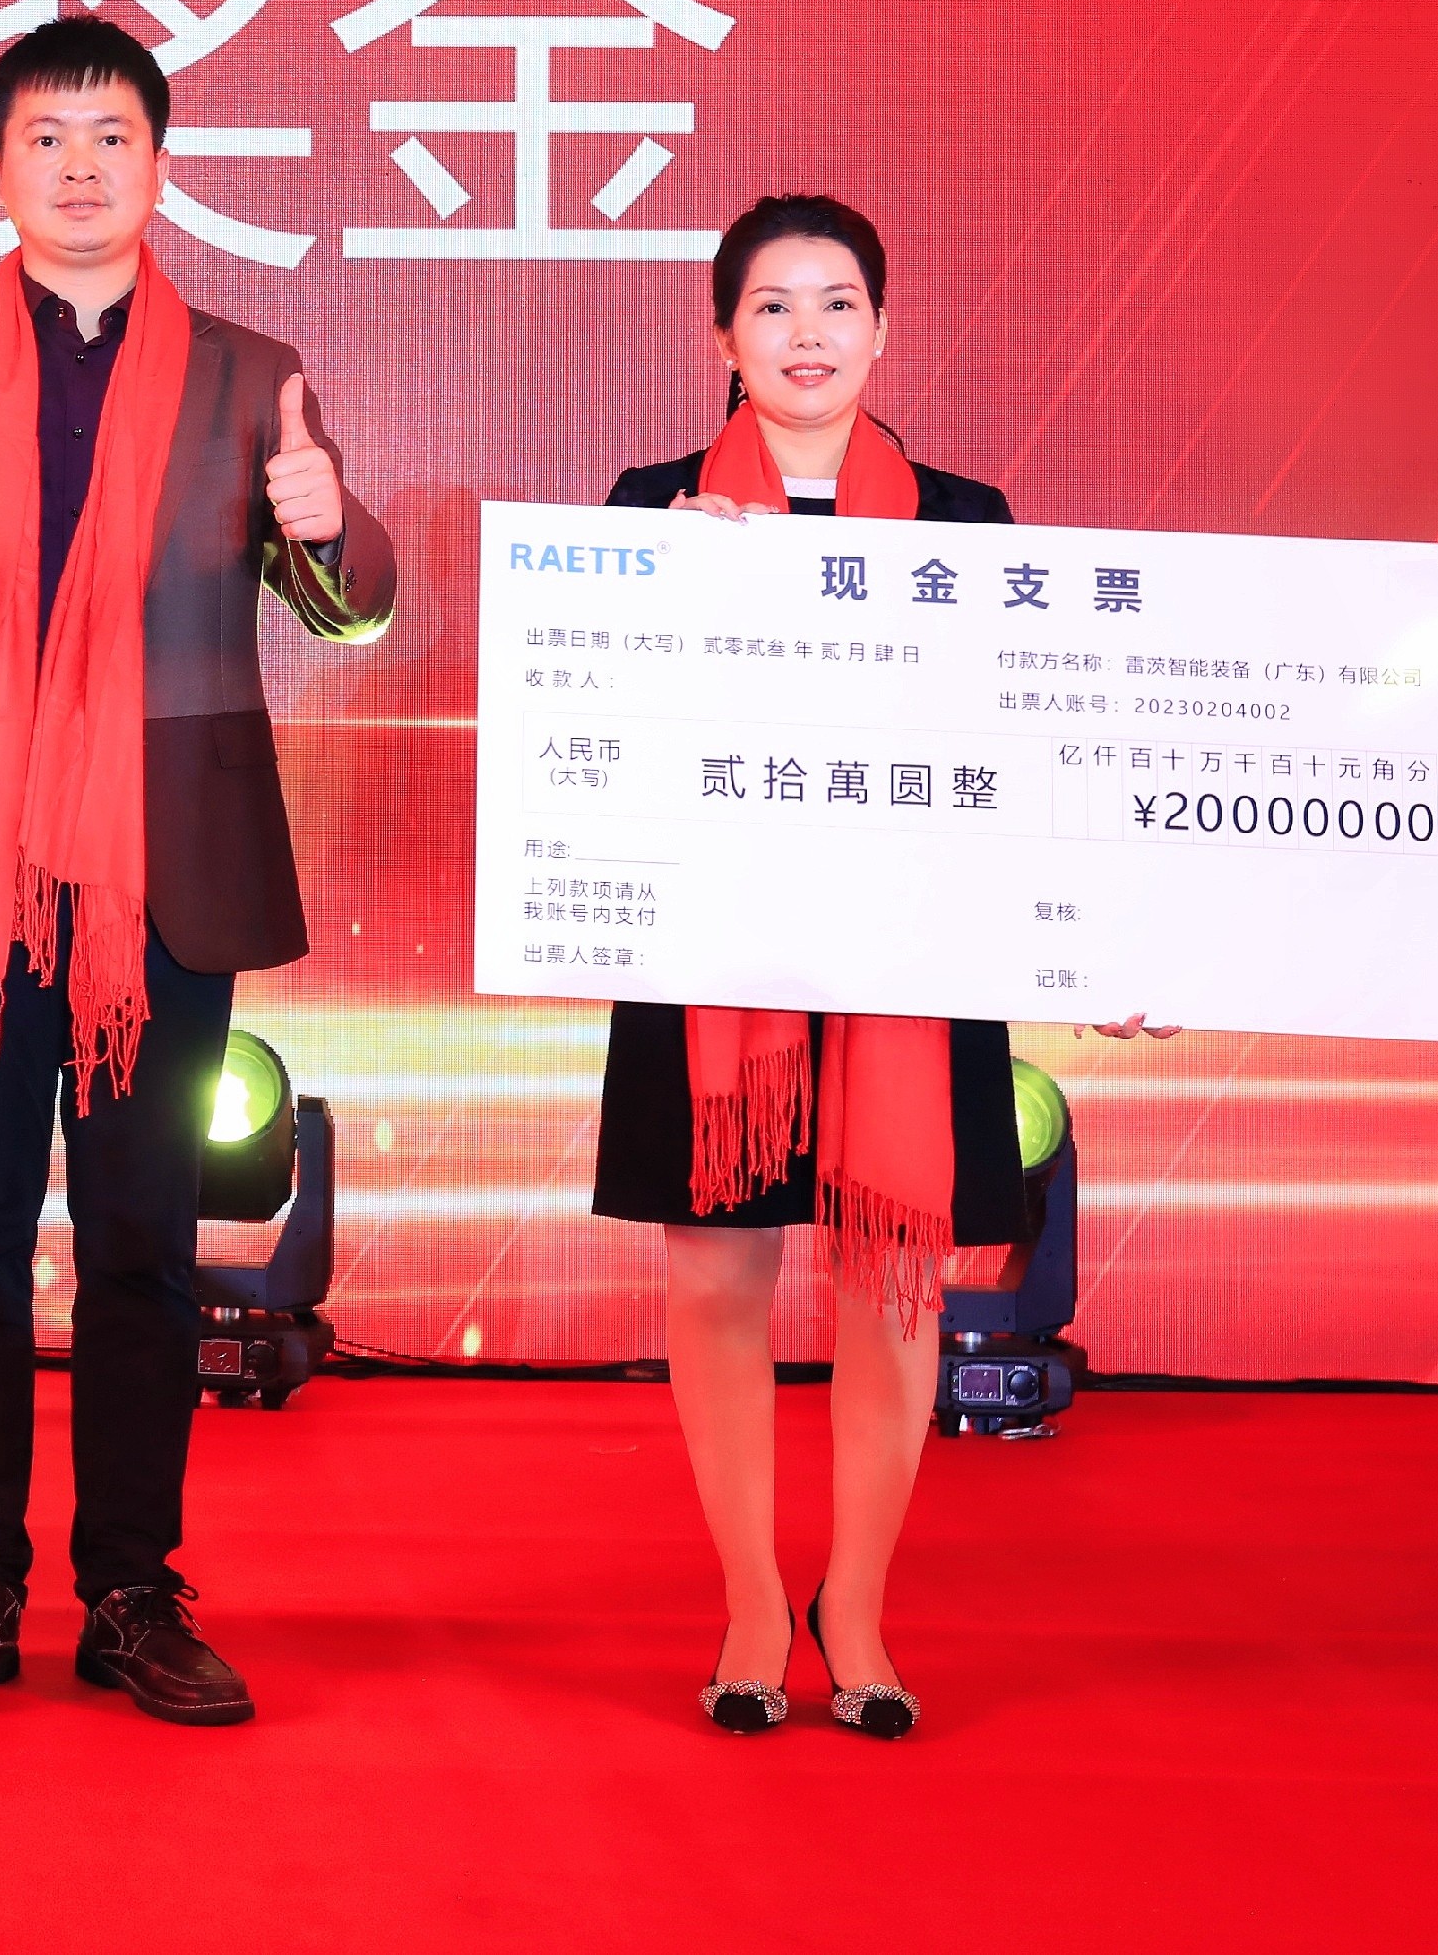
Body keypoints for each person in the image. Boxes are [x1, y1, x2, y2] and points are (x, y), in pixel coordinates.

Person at [0, 14, 393, 1726]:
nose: (79, 167)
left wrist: (330, 522)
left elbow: (352, 603)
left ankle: (131, 1587)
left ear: (160, 166)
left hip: (159, 871)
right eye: (45, 138)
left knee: (140, 1240)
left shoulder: (252, 373)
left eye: (112, 136)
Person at [599, 192, 1166, 1741]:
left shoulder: (971, 523)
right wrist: (659, 588)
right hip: (714, 951)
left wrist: (1108, 931)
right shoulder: (646, 508)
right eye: (772, 306)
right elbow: (601, 745)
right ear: (724, 339)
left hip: (912, 953)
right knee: (716, 1271)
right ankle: (749, 1602)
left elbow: (1036, 750)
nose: (807, 333)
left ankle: (854, 1603)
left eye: (837, 302)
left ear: (883, 330)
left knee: (890, 1274)